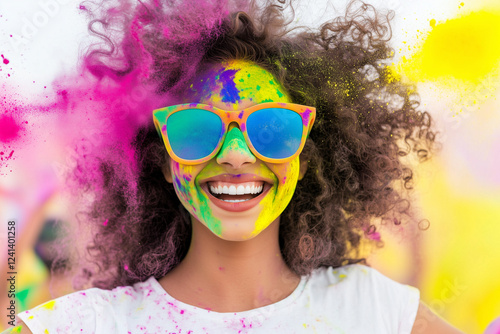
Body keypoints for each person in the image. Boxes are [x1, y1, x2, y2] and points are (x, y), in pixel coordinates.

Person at [5, 0, 463, 332]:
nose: (236, 155)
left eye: (273, 129)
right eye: (196, 130)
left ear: (305, 156)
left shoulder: (375, 310)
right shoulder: (83, 325)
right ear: (161, 161)